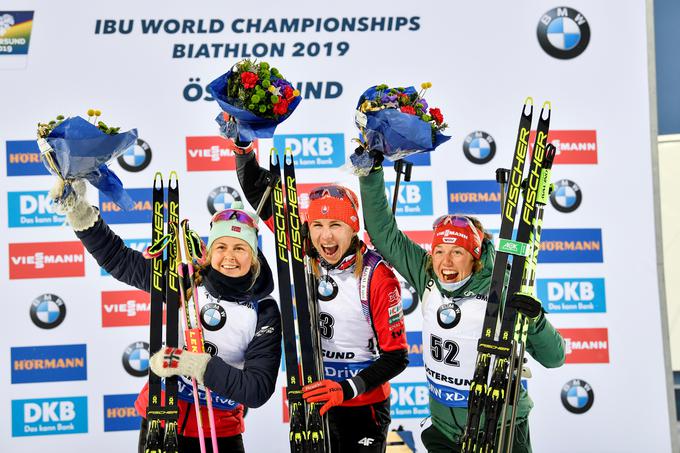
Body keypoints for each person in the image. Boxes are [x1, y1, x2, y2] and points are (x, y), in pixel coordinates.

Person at [48, 178, 282, 453]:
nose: (229, 257)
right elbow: (119, 260)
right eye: (221, 247)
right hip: (161, 415)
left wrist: (193, 364)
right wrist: (81, 215)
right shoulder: (183, 281)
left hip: (218, 429)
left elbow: (257, 389)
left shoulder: (263, 311)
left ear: (253, 257)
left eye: (240, 248)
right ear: (209, 252)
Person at [356, 159, 565, 453]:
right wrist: (371, 173)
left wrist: (536, 321)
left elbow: (555, 357)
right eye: (439, 250)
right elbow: (383, 234)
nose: (445, 262)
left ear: (475, 258)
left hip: (500, 429)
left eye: (457, 252)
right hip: (445, 432)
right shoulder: (426, 273)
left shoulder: (502, 289)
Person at [233, 144, 409, 452]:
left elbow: (397, 357)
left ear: (353, 228)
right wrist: (243, 146)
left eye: (336, 226)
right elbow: (258, 191)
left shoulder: (376, 276)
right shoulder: (305, 252)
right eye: (318, 225)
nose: (326, 237)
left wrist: (346, 389)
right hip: (312, 398)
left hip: (361, 405)